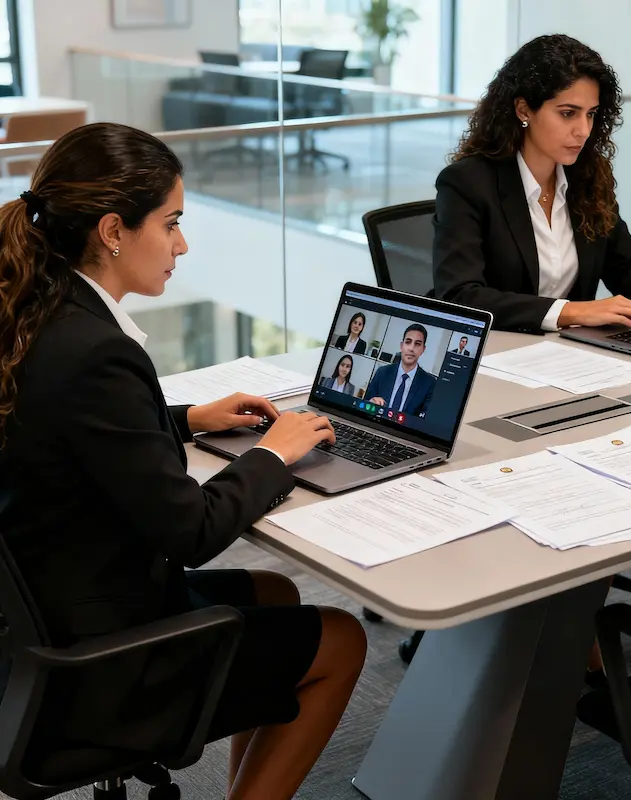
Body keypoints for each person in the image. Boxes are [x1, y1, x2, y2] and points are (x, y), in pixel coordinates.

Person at [0, 123, 367, 800]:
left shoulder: (38, 308)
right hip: (95, 662)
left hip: (40, 620)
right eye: (170, 223)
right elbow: (191, 533)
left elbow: (68, 430)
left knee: (277, 593)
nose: (182, 244)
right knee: (342, 638)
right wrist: (274, 453)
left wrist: (189, 419)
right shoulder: (96, 352)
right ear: (113, 231)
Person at [433, 34, 631, 334]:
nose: (583, 130)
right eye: (568, 113)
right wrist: (571, 311)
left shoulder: (586, 176)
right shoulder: (468, 183)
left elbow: (625, 263)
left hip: (568, 352)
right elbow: (460, 296)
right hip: (499, 349)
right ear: (524, 110)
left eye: (590, 114)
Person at [365, 323, 436, 417]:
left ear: (423, 349)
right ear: (401, 346)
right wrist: (371, 403)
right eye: (408, 342)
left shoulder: (429, 383)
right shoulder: (382, 373)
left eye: (417, 344)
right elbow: (365, 404)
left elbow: (426, 418)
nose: (411, 348)